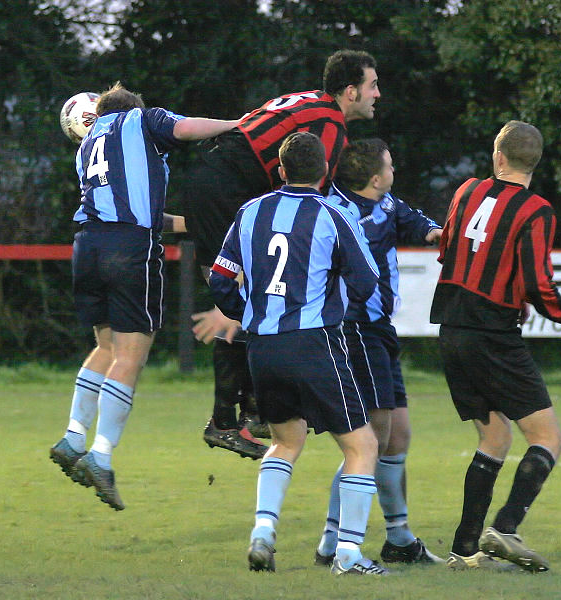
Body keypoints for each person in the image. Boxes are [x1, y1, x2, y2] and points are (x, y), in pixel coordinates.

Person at [49, 82, 241, 510]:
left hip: (88, 246)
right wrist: (236, 124)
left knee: (105, 347)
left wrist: (198, 223)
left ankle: (72, 436)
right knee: (130, 356)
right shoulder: (142, 118)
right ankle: (100, 455)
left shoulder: (87, 149)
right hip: (129, 249)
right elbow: (188, 128)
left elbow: (150, 213)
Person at [183, 49, 381, 460]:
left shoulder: (308, 101)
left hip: (214, 182)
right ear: (350, 91)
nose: (378, 94)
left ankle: (249, 408)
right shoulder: (328, 124)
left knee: (247, 304)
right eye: (372, 85)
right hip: (226, 190)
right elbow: (308, 202)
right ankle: (229, 417)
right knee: (247, 303)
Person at [209, 132, 388, 576]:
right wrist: (338, 306)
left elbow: (218, 279)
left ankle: (263, 533)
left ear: (281, 171)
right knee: (362, 446)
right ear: (325, 171)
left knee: (285, 443)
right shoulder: (333, 214)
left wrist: (246, 312)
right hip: (315, 344)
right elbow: (367, 281)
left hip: (262, 348)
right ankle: (347, 555)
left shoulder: (251, 212)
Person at [429, 120, 561, 571]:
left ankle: (463, 550)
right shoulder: (536, 211)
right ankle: (507, 528)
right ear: (534, 165)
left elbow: (450, 253)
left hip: (452, 327)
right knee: (548, 438)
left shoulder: (466, 191)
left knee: (494, 437)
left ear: (498, 157)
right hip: (492, 334)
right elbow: (538, 281)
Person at [314, 138, 444, 567]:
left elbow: (417, 223)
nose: (394, 172)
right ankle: (332, 542)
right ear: (374, 178)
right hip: (354, 331)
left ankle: (399, 537)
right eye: (389, 166)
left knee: (397, 436)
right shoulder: (333, 211)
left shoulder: (385, 203)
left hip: (380, 331)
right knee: (372, 439)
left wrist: (439, 233)